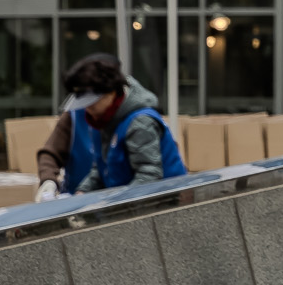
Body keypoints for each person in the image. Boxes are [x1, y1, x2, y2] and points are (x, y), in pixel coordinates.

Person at [37, 56, 185, 196]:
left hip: (164, 203)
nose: (88, 109)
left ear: (111, 93)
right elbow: (100, 169)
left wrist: (116, 205)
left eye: (92, 103)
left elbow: (149, 175)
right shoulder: (102, 121)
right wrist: (81, 195)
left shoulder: (140, 122)